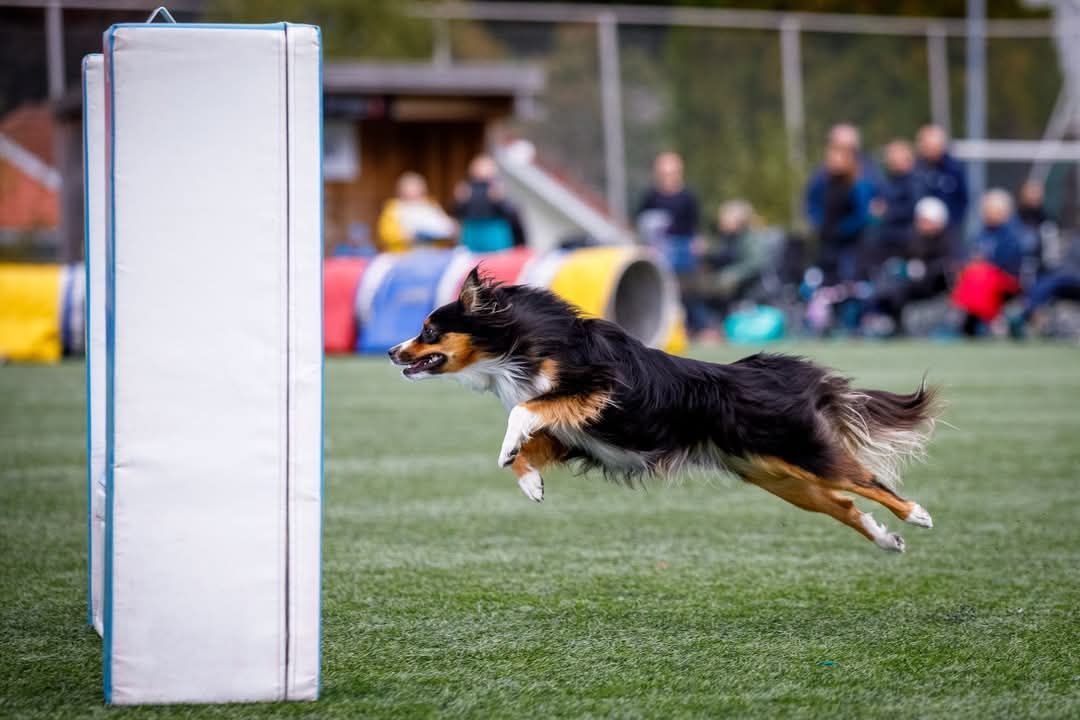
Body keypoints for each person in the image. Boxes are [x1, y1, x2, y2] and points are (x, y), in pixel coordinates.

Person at [636, 152, 708, 334]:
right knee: (661, 288)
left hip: (683, 247)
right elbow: (643, 222)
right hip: (659, 247)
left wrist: (696, 242)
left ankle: (700, 327)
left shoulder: (688, 196)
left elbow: (695, 224)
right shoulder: (650, 196)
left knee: (690, 290)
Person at [869, 196, 953, 333]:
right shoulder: (913, 237)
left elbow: (945, 267)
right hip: (911, 284)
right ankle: (889, 321)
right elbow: (901, 257)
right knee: (889, 284)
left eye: (926, 221)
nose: (922, 224)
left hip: (934, 286)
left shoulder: (947, 240)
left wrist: (925, 270)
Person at [951, 189, 1023, 335]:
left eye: (991, 210)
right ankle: (968, 317)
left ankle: (989, 319)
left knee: (981, 276)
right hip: (981, 277)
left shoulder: (1013, 234)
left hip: (1005, 278)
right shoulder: (981, 233)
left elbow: (1010, 261)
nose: (987, 213)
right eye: (986, 210)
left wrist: (984, 264)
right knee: (969, 275)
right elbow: (968, 255)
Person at [699, 200, 779, 315]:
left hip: (752, 287)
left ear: (738, 220)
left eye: (725, 217)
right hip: (732, 285)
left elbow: (755, 264)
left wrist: (732, 275)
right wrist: (707, 252)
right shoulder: (727, 238)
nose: (721, 220)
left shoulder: (751, 238)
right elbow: (721, 256)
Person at [804, 123, 882, 232]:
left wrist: (840, 229)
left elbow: (866, 212)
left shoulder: (867, 174)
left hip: (857, 239)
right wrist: (822, 225)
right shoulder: (821, 175)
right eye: (835, 147)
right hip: (828, 238)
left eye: (845, 149)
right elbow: (811, 205)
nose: (837, 155)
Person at [817, 143, 875, 285]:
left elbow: (862, 216)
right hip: (830, 244)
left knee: (848, 283)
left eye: (836, 158)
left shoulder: (858, 185)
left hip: (851, 247)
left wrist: (841, 229)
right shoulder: (829, 184)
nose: (831, 161)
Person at [452, 155, 526, 252]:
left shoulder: (497, 186)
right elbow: (456, 212)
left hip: (494, 232)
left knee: (496, 262)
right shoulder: (467, 188)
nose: (482, 170)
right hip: (472, 231)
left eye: (485, 167)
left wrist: (500, 200)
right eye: (479, 167)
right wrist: (460, 201)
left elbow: (512, 213)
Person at [375, 172, 457, 253]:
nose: (413, 191)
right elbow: (385, 234)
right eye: (410, 188)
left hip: (432, 253)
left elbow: (445, 227)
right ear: (401, 190)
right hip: (403, 254)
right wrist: (405, 236)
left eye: (416, 187)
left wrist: (450, 229)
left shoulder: (431, 205)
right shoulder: (394, 208)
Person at [915, 124, 968, 234]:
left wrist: (951, 222)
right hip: (919, 232)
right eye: (927, 146)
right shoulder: (915, 169)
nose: (931, 150)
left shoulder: (955, 169)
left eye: (934, 146)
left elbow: (963, 199)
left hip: (948, 231)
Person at [874, 140, 922, 264]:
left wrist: (888, 211)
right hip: (888, 239)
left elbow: (914, 208)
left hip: (908, 240)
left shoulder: (916, 182)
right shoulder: (887, 181)